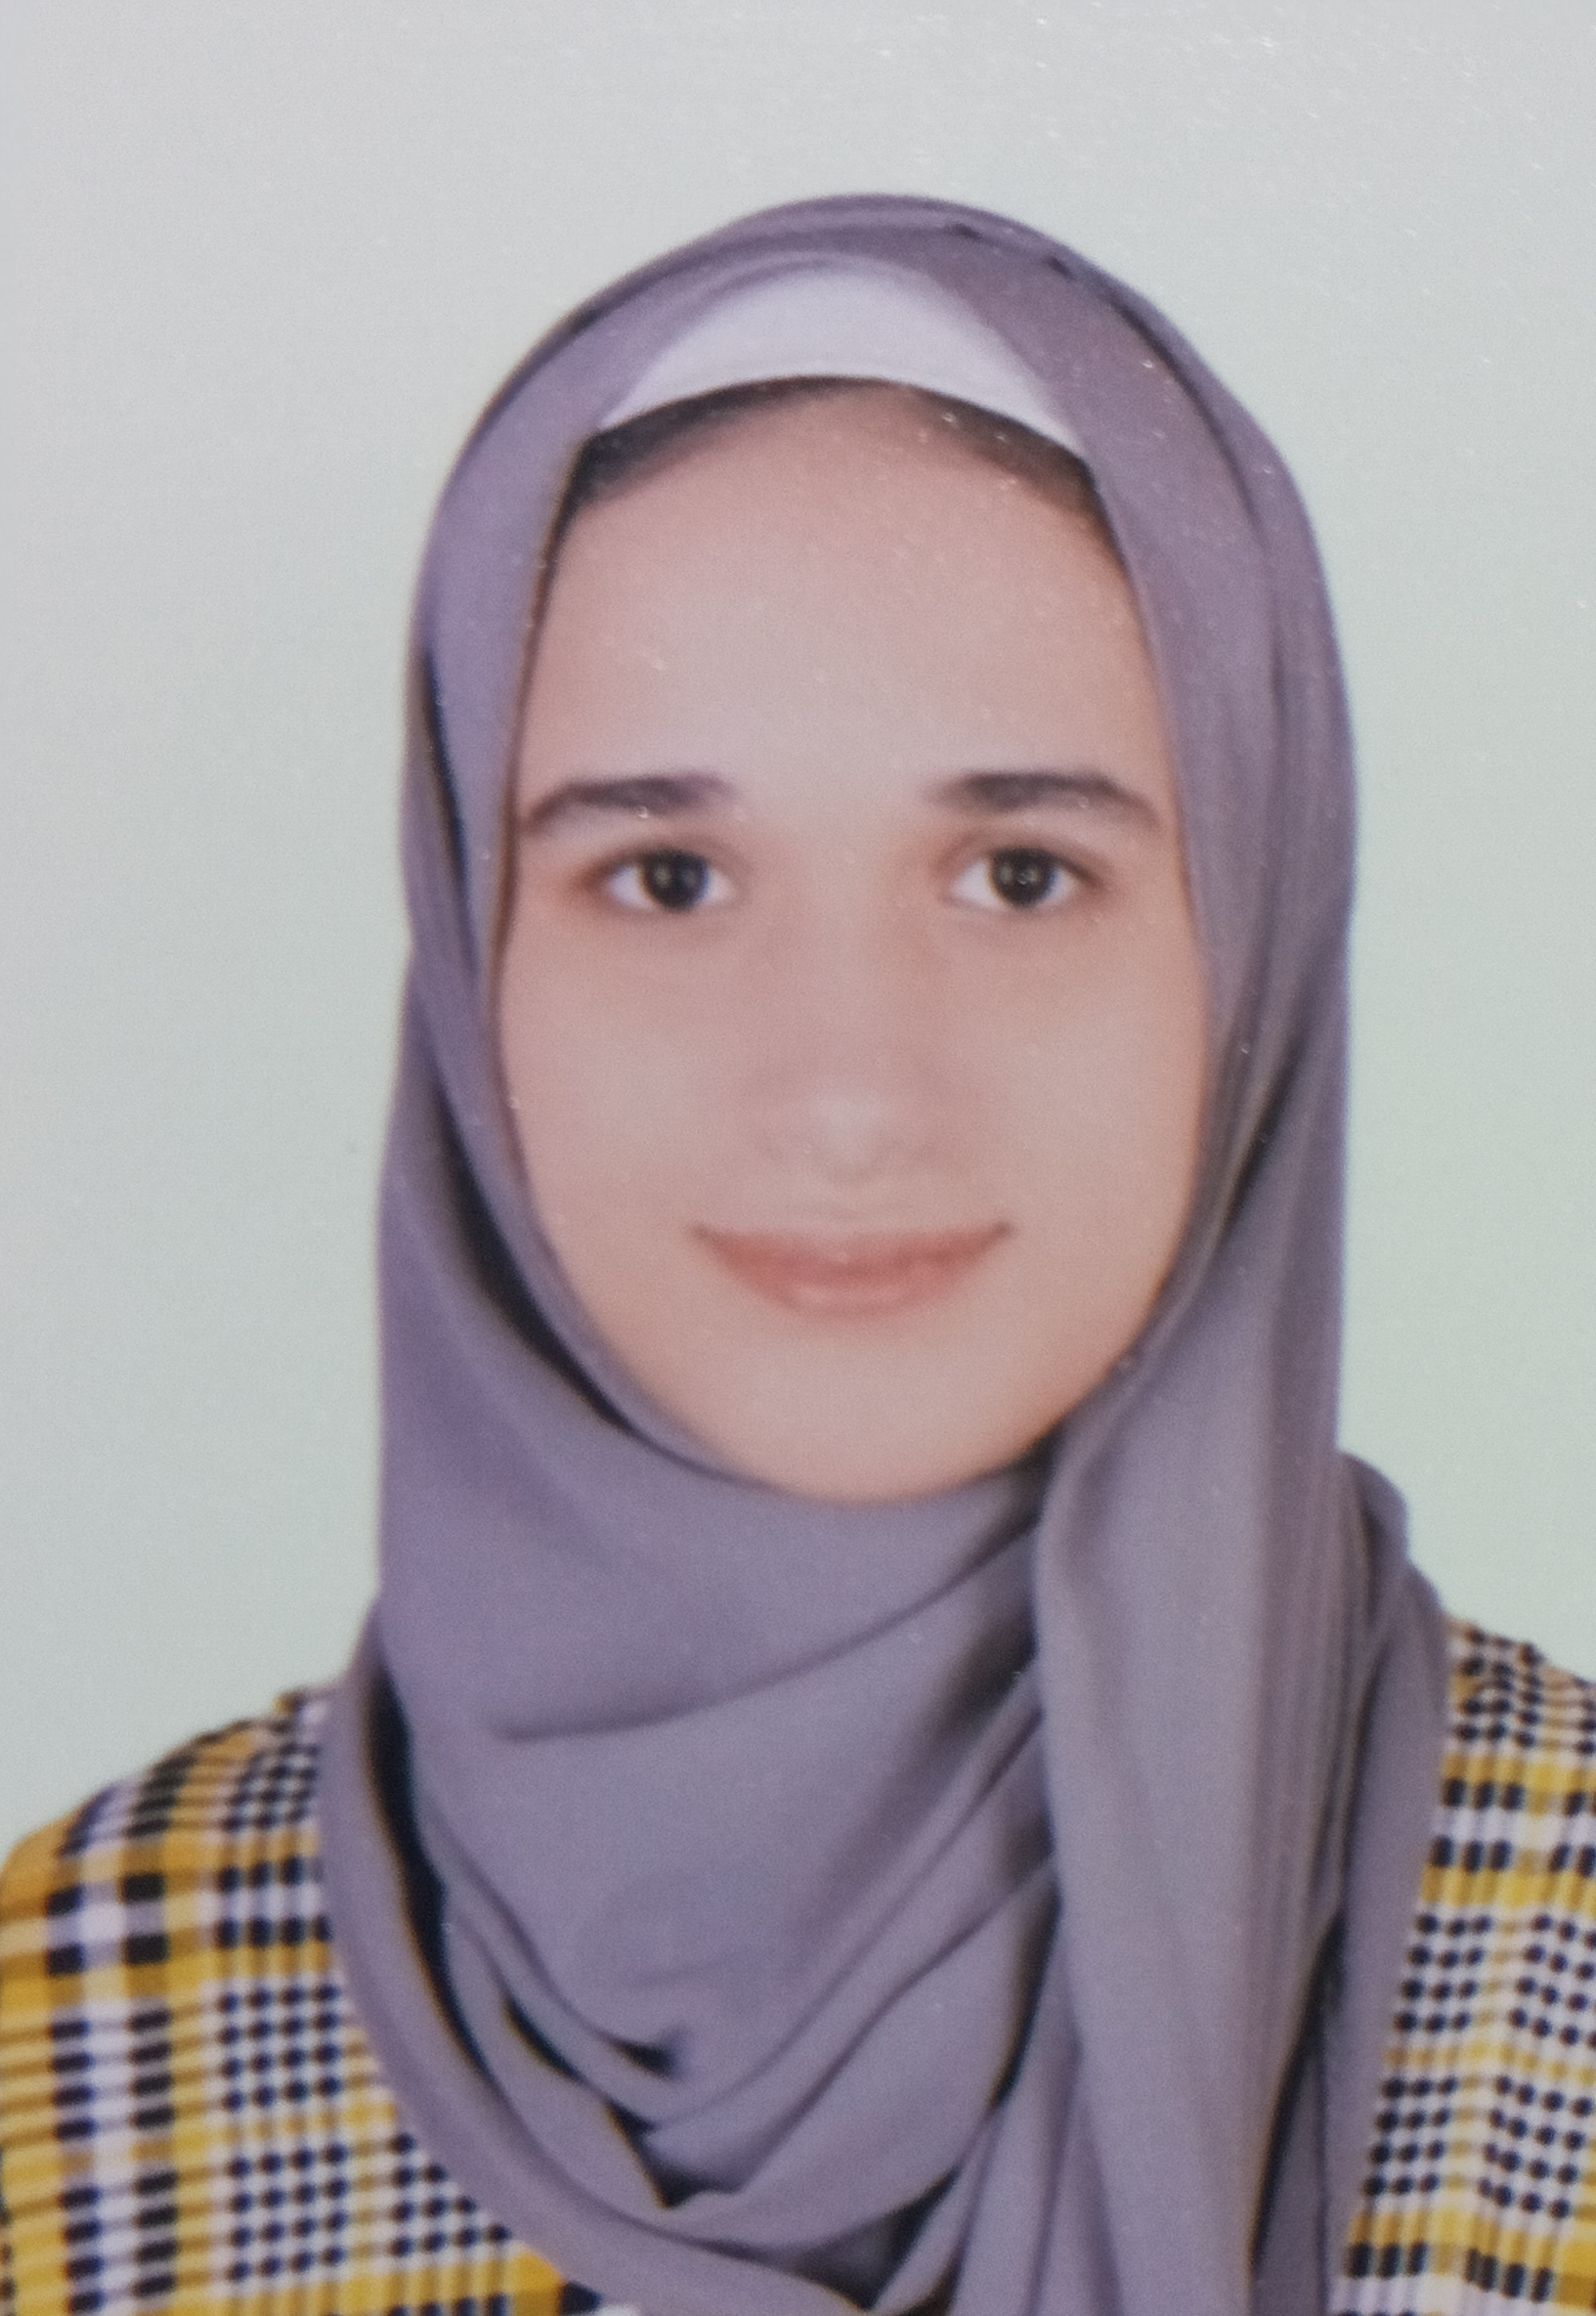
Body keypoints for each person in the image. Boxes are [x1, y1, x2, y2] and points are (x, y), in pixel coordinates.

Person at [2, 194, 1592, 2316]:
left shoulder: (1561, 1954)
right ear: (472, 970)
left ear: (1259, 941)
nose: (847, 1095)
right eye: (668, 876)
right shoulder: (74, 2023)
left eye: (1020, 874)